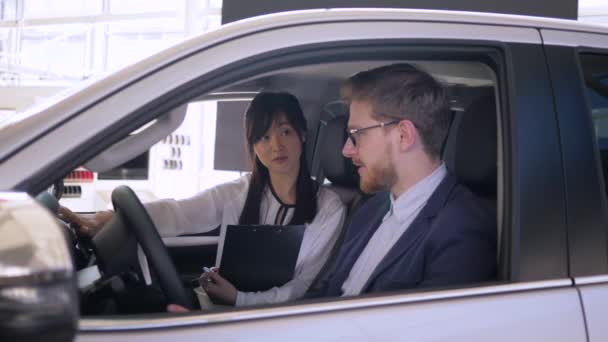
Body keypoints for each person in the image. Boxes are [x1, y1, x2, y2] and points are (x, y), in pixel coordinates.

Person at [62, 92, 346, 307]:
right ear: (253, 146)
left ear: (303, 134)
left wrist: (240, 299)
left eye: (285, 131)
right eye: (263, 137)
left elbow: (304, 287)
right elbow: (180, 213)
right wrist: (110, 221)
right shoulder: (241, 191)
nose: (276, 146)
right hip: (222, 308)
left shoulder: (329, 206)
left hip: (271, 320)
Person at [309, 63, 496, 298]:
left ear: (403, 135)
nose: (346, 150)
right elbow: (326, 293)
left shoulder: (463, 230)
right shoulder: (369, 210)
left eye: (356, 135)